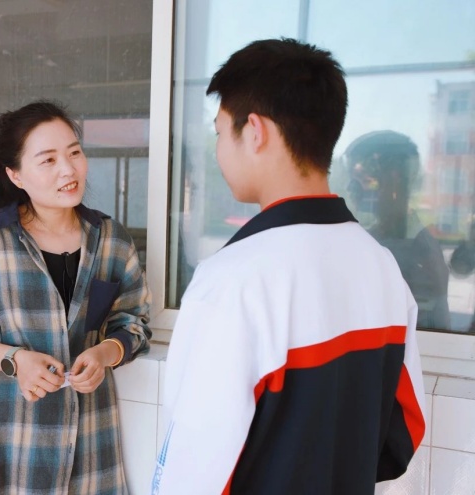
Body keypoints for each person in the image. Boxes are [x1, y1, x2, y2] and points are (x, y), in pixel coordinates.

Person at [151, 38, 426, 495]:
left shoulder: (233, 280)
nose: (218, 149)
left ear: (254, 131)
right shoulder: (381, 266)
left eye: (219, 132)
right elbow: (405, 431)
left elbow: (192, 472)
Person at [0, 100, 152, 494]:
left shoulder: (112, 241)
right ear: (15, 174)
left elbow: (134, 324)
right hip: (4, 440)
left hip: (89, 441)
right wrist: (15, 361)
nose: (68, 169)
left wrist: (105, 353)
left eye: (74, 153)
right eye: (48, 160)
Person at [344, 130, 450, 329]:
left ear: (394, 180)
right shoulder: (371, 238)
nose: (351, 189)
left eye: (361, 180)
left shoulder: (421, 251)